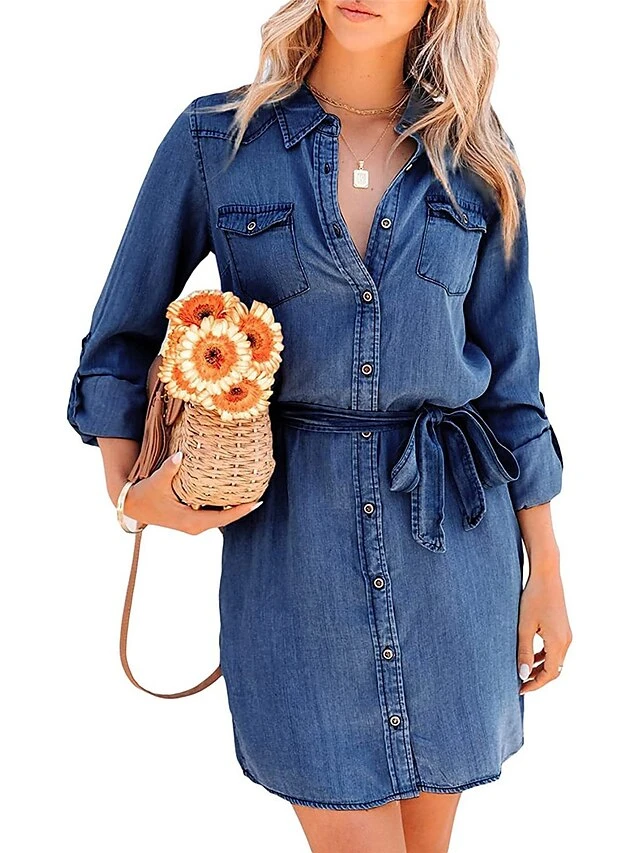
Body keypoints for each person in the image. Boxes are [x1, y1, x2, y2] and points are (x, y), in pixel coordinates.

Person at [66, 1, 573, 850]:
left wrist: (546, 571)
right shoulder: (217, 141)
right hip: (295, 573)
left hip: (455, 562)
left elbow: (514, 392)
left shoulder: (477, 158)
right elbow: (116, 345)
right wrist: (131, 495)